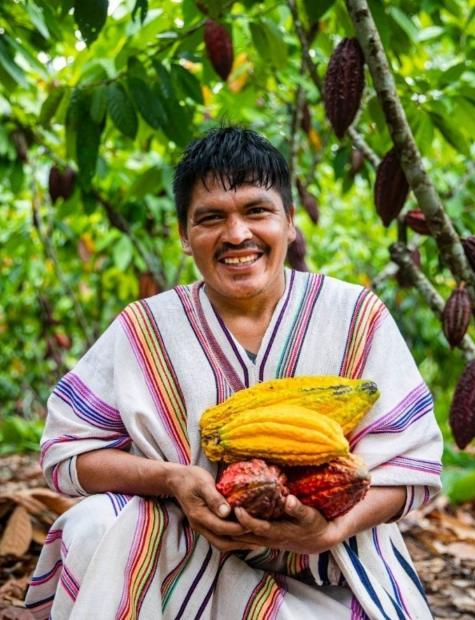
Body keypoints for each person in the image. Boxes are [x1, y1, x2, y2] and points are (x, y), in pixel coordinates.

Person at [24, 127, 443, 619]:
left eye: (257, 211)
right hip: (176, 559)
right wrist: (172, 479)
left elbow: (412, 466)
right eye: (211, 218)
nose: (237, 234)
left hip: (324, 567)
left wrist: (327, 530)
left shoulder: (353, 316)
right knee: (96, 524)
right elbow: (67, 452)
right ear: (184, 235)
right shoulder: (146, 329)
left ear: (290, 222)